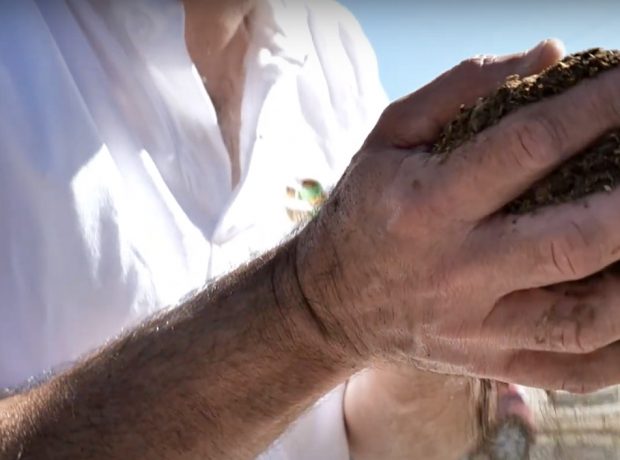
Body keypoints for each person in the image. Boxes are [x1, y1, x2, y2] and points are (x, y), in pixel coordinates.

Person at [3, 0, 620, 459]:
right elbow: (339, 312)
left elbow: (389, 442)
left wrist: (435, 319)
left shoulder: (332, 48)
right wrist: (314, 311)